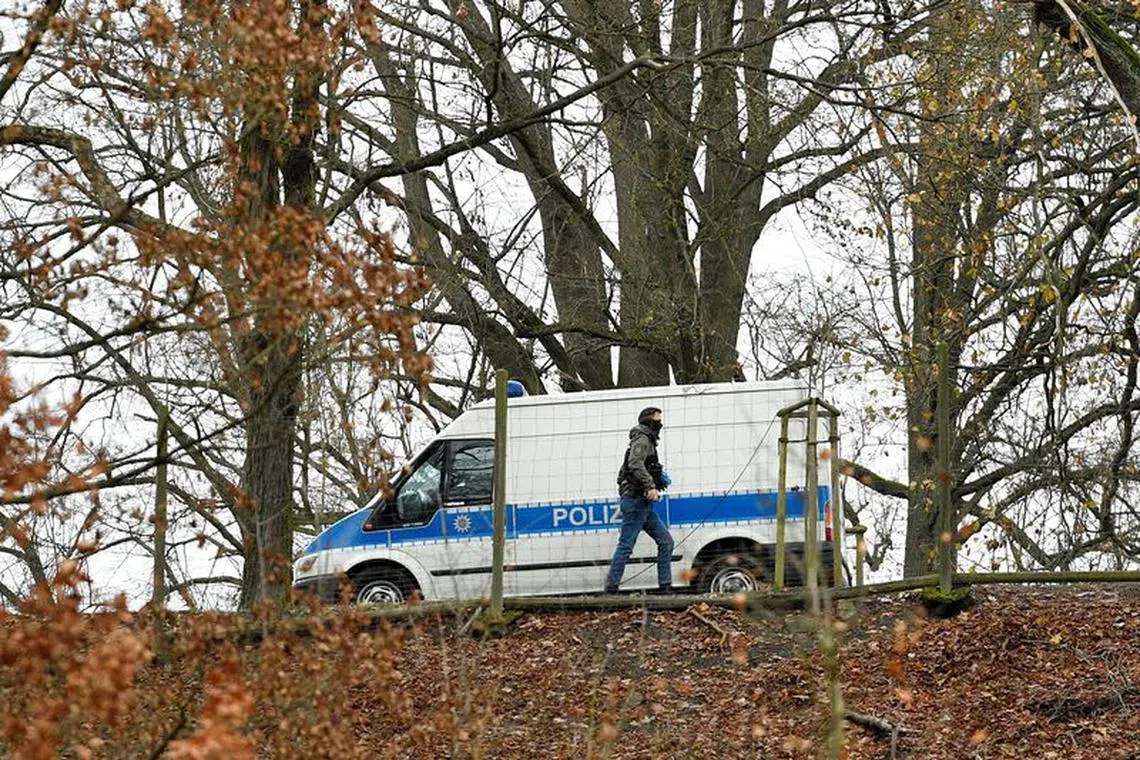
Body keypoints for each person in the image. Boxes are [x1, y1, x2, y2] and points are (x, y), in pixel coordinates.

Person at [604, 407, 675, 594]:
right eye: (657, 421)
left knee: (666, 542)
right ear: (648, 422)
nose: (660, 424)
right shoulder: (642, 439)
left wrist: (657, 480)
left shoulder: (647, 440)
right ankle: (611, 589)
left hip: (642, 503)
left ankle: (665, 587)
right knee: (626, 545)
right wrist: (650, 486)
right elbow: (635, 463)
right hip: (635, 501)